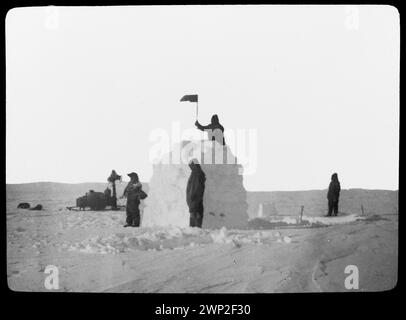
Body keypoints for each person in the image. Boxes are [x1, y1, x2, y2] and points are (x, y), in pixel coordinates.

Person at [186, 159, 206, 228]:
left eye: (192, 165)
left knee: (195, 213)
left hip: (194, 198)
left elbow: (197, 188)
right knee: (195, 213)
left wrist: (193, 197)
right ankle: (194, 229)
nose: (191, 167)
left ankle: (195, 229)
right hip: (192, 198)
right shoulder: (194, 173)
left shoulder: (198, 174)